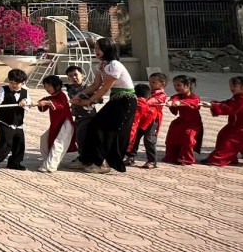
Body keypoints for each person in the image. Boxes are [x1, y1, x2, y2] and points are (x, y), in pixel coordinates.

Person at [68, 39, 138, 174]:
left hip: (126, 101)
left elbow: (105, 88)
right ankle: (87, 159)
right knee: (94, 127)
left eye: (99, 48)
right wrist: (79, 95)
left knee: (105, 130)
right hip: (116, 99)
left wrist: (89, 101)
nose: (96, 51)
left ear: (107, 49)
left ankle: (102, 163)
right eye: (95, 48)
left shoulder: (114, 65)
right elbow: (95, 85)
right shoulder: (101, 65)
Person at [202, 77, 243, 167]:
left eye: (234, 86)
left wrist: (213, 106)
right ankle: (229, 158)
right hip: (236, 124)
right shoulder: (238, 97)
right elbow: (228, 103)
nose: (231, 88)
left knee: (229, 140)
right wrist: (215, 103)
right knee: (223, 135)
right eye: (231, 86)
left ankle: (218, 158)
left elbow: (231, 108)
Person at [0, 69, 30, 171]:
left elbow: (29, 102)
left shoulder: (25, 92)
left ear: (23, 83)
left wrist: (25, 101)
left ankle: (14, 162)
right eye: (11, 82)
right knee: (6, 140)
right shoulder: (3, 89)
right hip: (3, 120)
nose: (13, 85)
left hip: (18, 122)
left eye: (16, 83)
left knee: (19, 142)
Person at [128, 73, 168, 169]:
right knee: (135, 137)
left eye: (154, 82)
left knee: (149, 139)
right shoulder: (149, 92)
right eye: (150, 82)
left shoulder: (162, 95)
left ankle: (151, 160)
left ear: (163, 84)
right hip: (143, 118)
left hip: (153, 119)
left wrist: (142, 100)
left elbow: (152, 101)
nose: (151, 84)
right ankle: (130, 157)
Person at [35, 75, 75, 173]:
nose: (47, 88)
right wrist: (39, 103)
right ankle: (49, 161)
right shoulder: (51, 97)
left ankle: (50, 166)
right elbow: (44, 105)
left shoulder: (62, 95)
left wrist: (47, 103)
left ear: (57, 86)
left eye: (49, 86)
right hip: (56, 125)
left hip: (66, 123)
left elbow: (60, 105)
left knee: (58, 144)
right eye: (45, 86)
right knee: (44, 140)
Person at [162, 76, 203, 165]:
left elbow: (193, 103)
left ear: (187, 85)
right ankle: (172, 156)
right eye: (174, 85)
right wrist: (171, 103)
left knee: (188, 137)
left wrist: (180, 103)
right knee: (173, 131)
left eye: (178, 85)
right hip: (181, 121)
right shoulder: (177, 96)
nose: (176, 88)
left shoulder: (194, 97)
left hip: (193, 123)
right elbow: (174, 99)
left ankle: (187, 158)